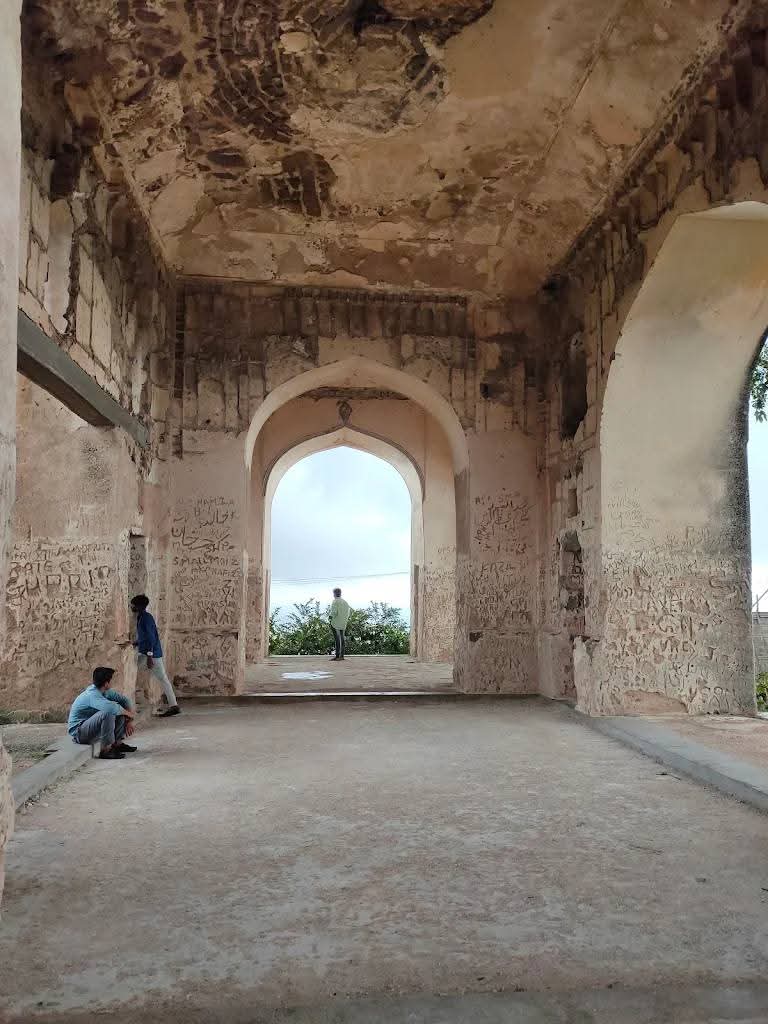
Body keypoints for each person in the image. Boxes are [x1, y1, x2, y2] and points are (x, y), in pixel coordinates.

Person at [67, 666, 137, 760]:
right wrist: (130, 715)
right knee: (108, 712)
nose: (113, 682)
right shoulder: (92, 694)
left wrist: (129, 721)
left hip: (89, 728)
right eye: (111, 680)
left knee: (118, 712)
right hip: (79, 732)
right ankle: (105, 750)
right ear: (106, 683)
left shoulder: (105, 691)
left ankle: (117, 744)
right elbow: (111, 708)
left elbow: (124, 700)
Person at [131, 594, 181, 717]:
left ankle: (173, 705)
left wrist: (149, 656)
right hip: (146, 651)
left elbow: (151, 637)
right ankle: (172, 704)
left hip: (151, 654)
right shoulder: (142, 617)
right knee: (135, 671)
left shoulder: (146, 618)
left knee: (162, 679)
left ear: (139, 606)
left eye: (133, 605)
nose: (131, 607)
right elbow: (145, 636)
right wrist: (136, 643)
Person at [329, 587, 351, 661]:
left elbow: (334, 612)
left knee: (337, 639)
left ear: (334, 594)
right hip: (343, 622)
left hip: (335, 623)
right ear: (340, 593)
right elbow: (348, 612)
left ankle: (337, 656)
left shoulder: (335, 601)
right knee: (342, 639)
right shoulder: (345, 602)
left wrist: (330, 618)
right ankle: (341, 656)